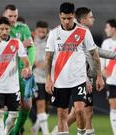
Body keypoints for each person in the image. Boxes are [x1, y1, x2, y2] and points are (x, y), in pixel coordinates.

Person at [45, 2, 104, 135]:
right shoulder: (54, 34)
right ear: (60, 16)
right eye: (63, 18)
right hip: (59, 80)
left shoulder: (83, 32)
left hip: (78, 79)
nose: (66, 21)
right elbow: (48, 57)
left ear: (74, 16)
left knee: (79, 110)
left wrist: (99, 76)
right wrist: (48, 78)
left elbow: (95, 55)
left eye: (69, 18)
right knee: (62, 114)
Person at [0, 17, 31, 135]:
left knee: (13, 117)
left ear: (9, 28)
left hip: (13, 87)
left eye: (7, 29)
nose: (5, 32)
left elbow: (26, 61)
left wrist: (27, 68)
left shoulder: (16, 42)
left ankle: (5, 133)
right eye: (2, 29)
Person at [2, 4, 36, 135]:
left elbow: (31, 48)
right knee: (7, 107)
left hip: (22, 72)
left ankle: (15, 131)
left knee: (27, 105)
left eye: (15, 16)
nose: (13, 18)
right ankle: (7, 133)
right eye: (10, 16)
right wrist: (21, 44)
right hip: (6, 73)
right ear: (4, 15)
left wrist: (29, 66)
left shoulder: (24, 28)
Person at [31, 21, 50, 135]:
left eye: (44, 31)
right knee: (41, 104)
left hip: (49, 78)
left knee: (47, 107)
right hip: (36, 78)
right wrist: (35, 64)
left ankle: (35, 128)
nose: (42, 34)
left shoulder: (51, 40)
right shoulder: (31, 42)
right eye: (39, 31)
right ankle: (45, 132)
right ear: (35, 31)